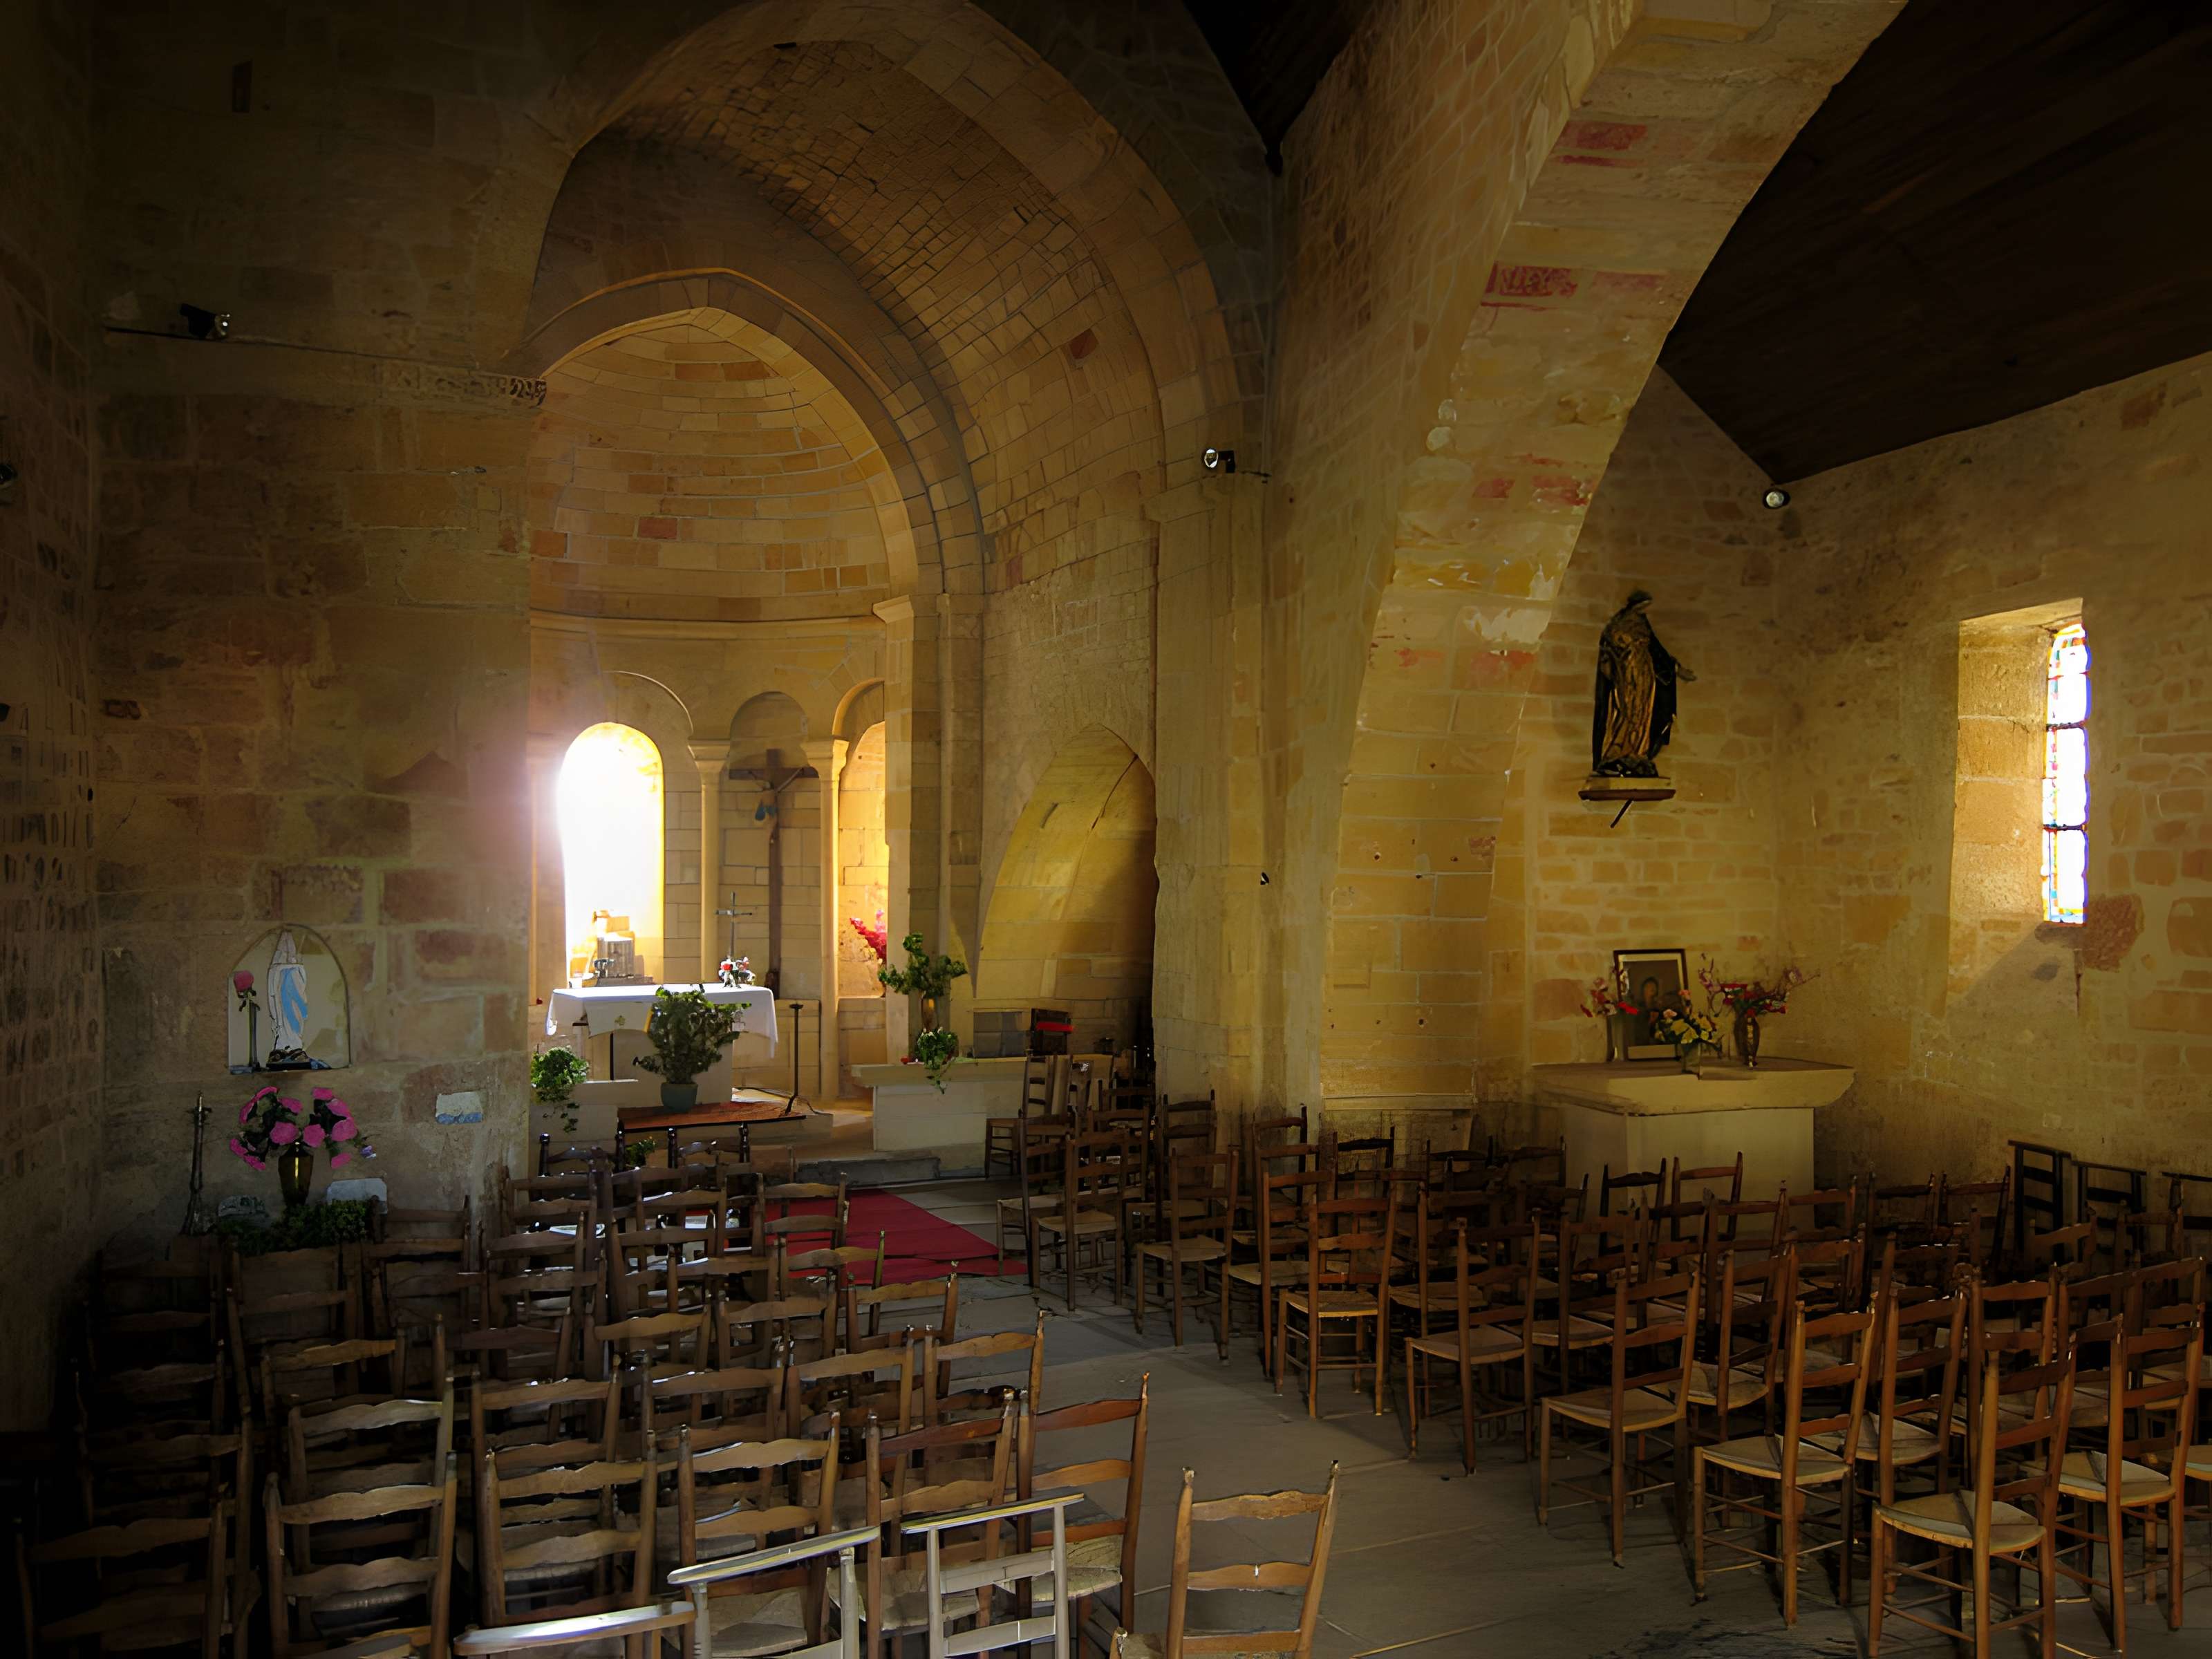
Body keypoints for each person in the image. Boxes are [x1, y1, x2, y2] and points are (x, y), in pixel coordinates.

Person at [1593, 590, 1696, 776]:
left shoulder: (1644, 627)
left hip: (1644, 674)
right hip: (1628, 674)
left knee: (1644, 712)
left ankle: (1638, 752)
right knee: (1626, 710)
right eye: (1642, 607)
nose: (1643, 612)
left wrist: (1676, 668)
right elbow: (1609, 650)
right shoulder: (1618, 625)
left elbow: (1658, 652)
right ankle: (1617, 752)